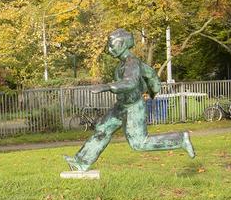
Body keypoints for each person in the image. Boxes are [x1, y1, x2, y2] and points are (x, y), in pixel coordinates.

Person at [65, 28, 195, 172]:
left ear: (122, 44)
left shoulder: (132, 62)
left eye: (111, 45)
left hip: (134, 107)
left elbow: (130, 82)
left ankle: (180, 139)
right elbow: (148, 75)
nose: (109, 49)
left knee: (139, 144)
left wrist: (106, 86)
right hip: (122, 106)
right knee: (102, 129)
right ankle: (81, 161)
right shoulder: (123, 63)